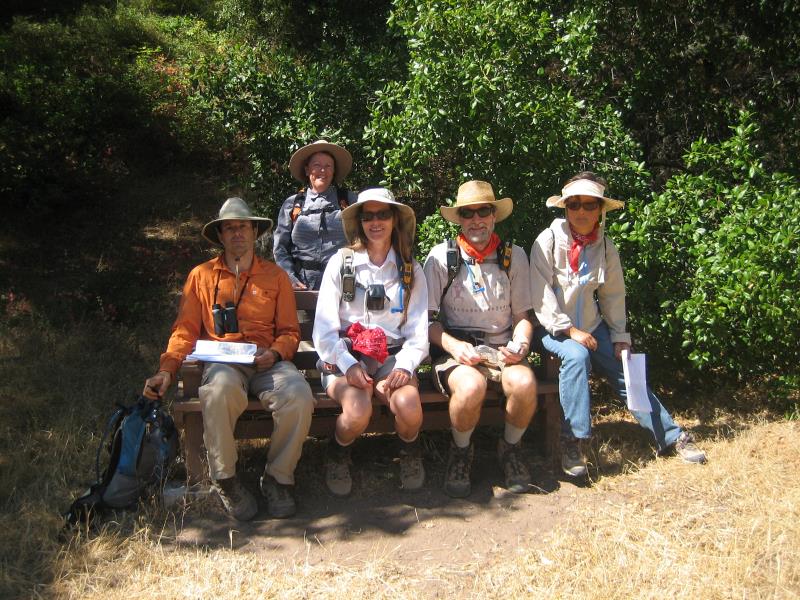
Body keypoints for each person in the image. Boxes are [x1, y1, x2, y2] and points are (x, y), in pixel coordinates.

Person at [143, 197, 315, 521]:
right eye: (230, 228)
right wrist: (167, 370)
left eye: (243, 227)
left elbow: (291, 331)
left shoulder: (275, 276)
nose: (237, 233)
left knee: (299, 393)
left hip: (268, 362)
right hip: (223, 364)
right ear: (220, 236)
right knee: (217, 391)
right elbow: (184, 330)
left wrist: (276, 352)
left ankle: (278, 479)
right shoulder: (202, 276)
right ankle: (227, 480)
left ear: (255, 233)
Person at [529, 171, 707, 479]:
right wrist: (570, 331)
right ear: (565, 208)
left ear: (600, 209)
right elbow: (541, 296)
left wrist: (619, 336)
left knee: (625, 369)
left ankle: (670, 435)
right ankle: (572, 441)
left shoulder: (605, 246)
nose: (581, 212)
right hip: (553, 328)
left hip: (593, 327)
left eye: (589, 205)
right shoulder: (547, 241)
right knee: (576, 356)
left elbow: (612, 295)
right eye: (574, 205)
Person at [423, 180, 538, 498]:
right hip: (455, 349)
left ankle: (510, 448)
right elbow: (427, 322)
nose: (476, 219)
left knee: (525, 383)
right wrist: (454, 346)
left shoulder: (514, 257)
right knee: (471, 386)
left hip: (502, 347)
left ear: (494, 215)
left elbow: (522, 319)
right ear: (459, 218)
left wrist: (522, 345)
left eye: (483, 211)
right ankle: (461, 452)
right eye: (468, 212)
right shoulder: (440, 258)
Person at [312, 187, 429, 496]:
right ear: (359, 222)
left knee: (408, 405)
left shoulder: (410, 270)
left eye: (383, 215)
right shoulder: (341, 264)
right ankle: (338, 453)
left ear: (395, 220)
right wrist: (348, 365)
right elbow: (323, 330)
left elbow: (418, 333)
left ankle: (410, 452)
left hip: (391, 357)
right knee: (357, 408)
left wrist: (404, 367)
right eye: (368, 216)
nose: (375, 222)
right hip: (344, 354)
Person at [273, 140, 357, 290]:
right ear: (307, 170)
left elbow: (365, 240)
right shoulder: (293, 204)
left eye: (328, 166)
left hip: (342, 285)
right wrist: (290, 277)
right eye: (317, 165)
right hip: (302, 287)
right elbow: (280, 248)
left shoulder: (349, 200)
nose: (322, 170)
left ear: (334, 171)